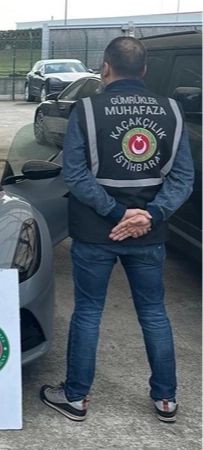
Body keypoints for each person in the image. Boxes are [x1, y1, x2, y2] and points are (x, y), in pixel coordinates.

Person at [40, 36, 194, 423]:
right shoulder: (173, 111)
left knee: (88, 312)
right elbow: (183, 179)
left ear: (105, 68)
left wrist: (114, 211)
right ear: (144, 70)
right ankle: (166, 400)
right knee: (154, 313)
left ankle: (76, 398)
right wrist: (149, 215)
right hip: (148, 234)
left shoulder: (86, 110)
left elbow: (75, 174)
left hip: (95, 232)